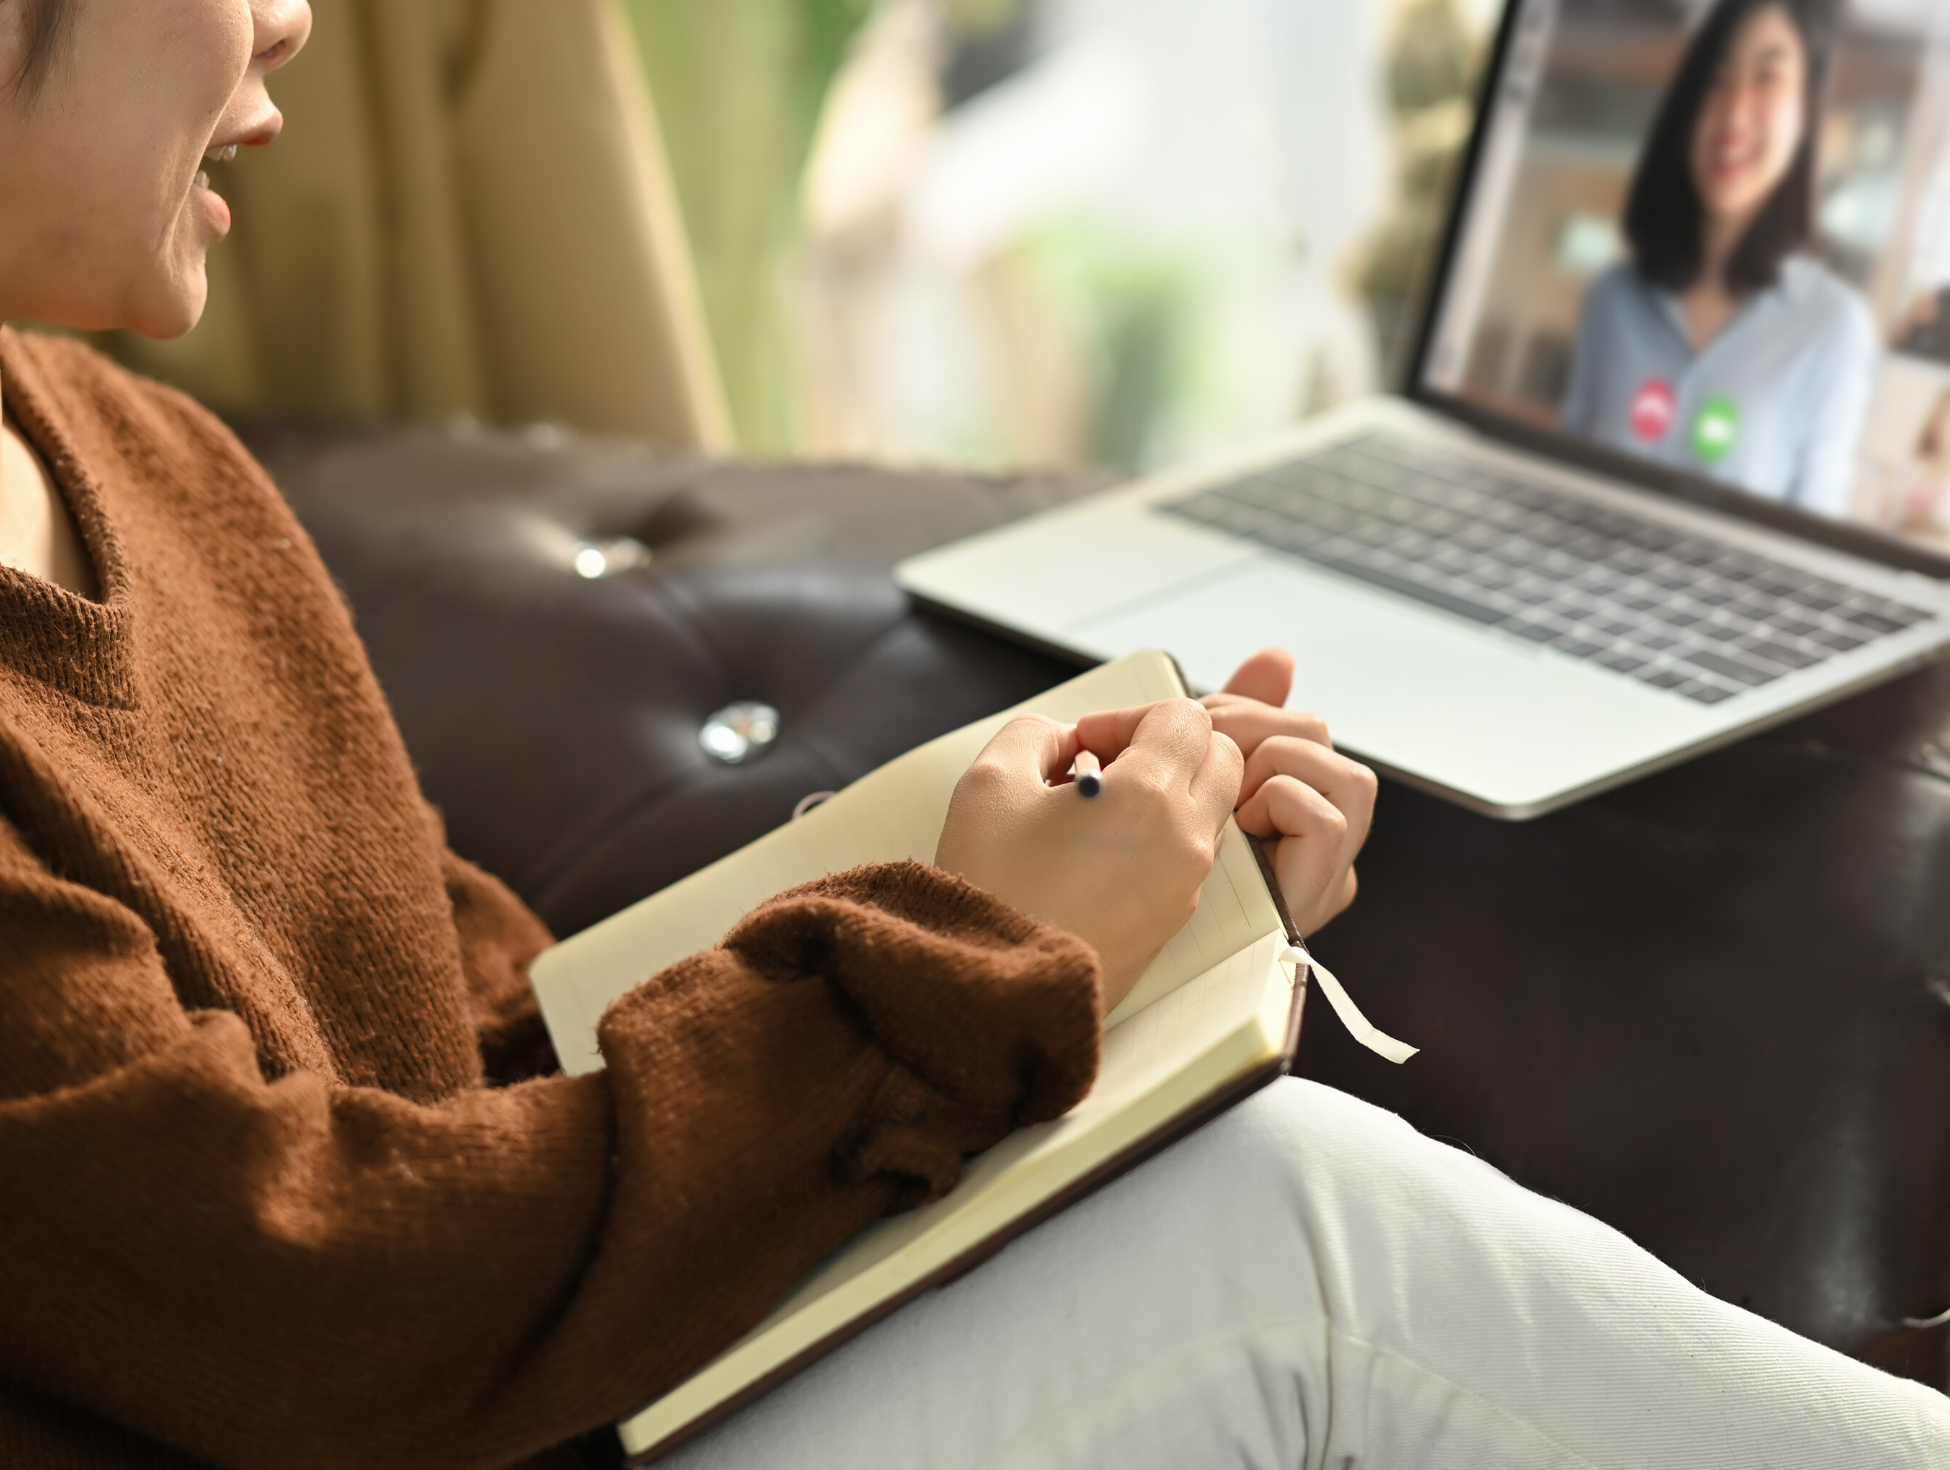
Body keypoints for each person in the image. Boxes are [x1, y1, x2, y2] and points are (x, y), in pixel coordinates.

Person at [0, 3, 1943, 1468]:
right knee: (1298, 1257)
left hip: (530, 1385)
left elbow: (486, 1058)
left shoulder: (153, 464)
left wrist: (1069, 909)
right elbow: (322, 1295)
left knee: (1272, 1204)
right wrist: (944, 974)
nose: (289, 18)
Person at [1560, 0, 1879, 518]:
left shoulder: (1835, 330)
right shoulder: (1612, 298)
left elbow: (1811, 551)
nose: (1733, 114)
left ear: (1806, 113)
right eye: (1717, 78)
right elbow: (1563, 487)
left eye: (1767, 78)